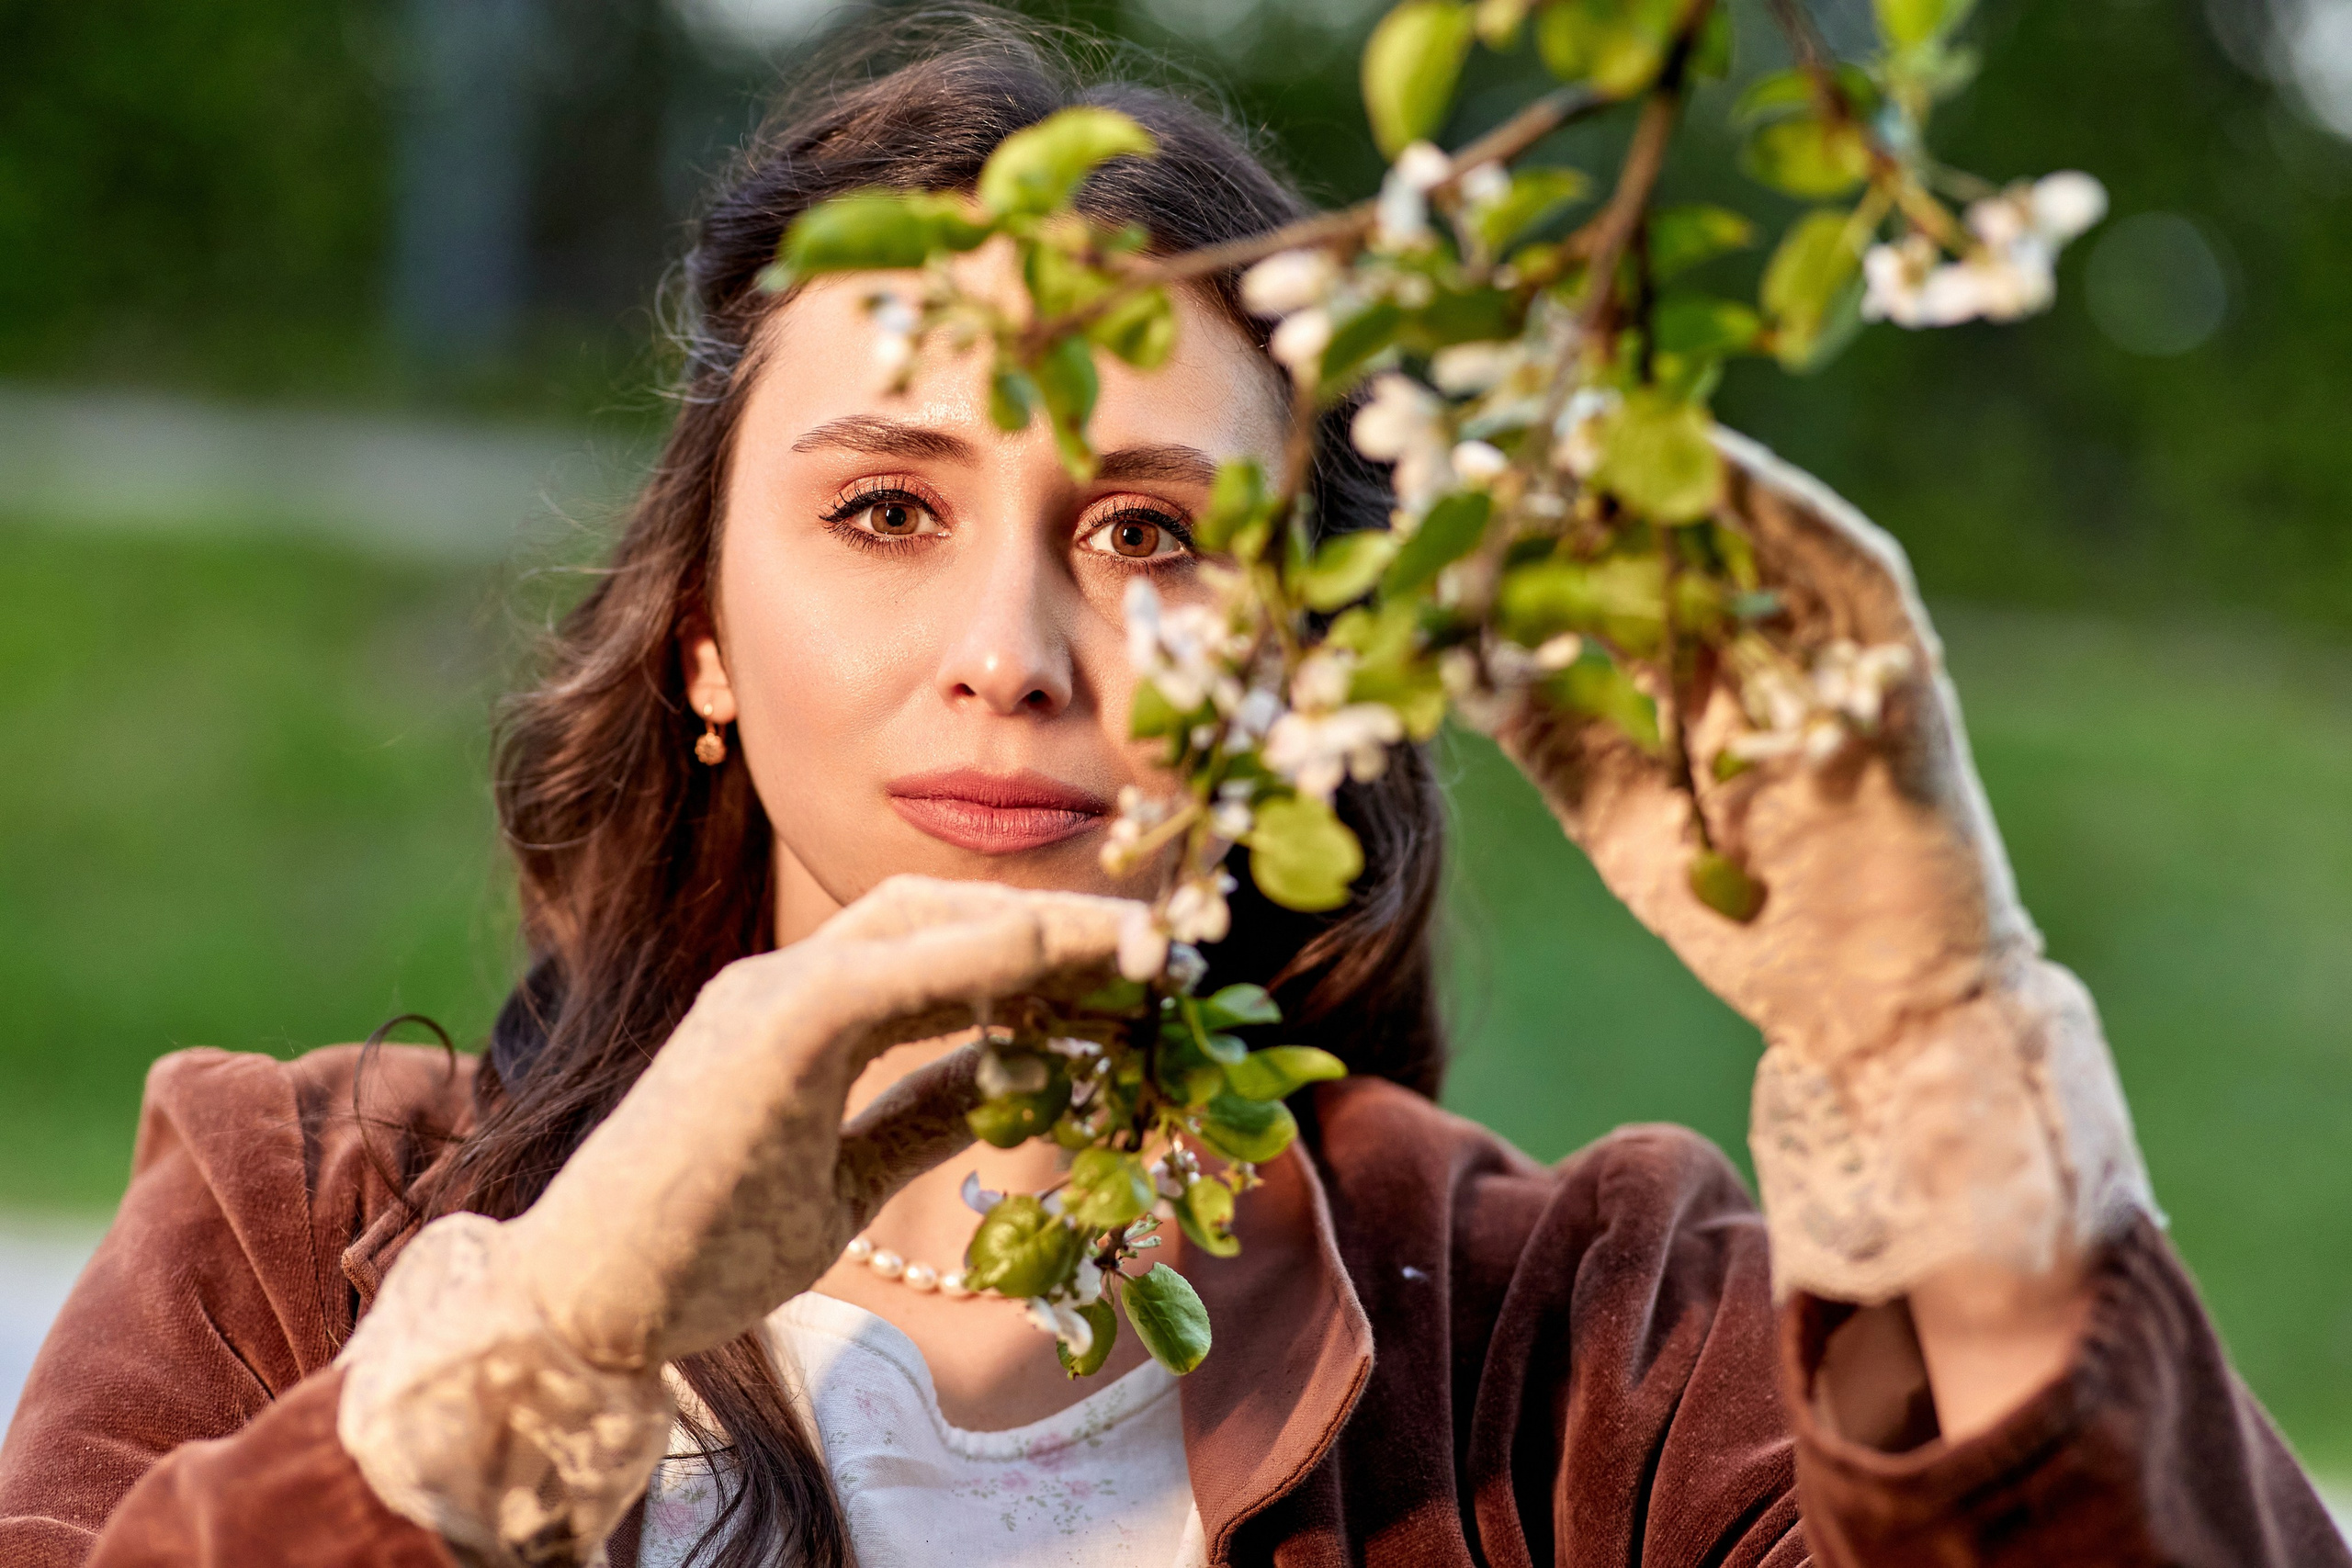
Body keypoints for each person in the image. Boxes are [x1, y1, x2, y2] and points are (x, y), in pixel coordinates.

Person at [0, 10, 2341, 1567]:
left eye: (1148, 534)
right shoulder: (300, 1224)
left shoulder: (1572, 1346)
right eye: (885, 508)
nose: (1012, 654)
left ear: (1311, 651)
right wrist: (565, 1328)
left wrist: (1922, 1025)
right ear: (703, 628)